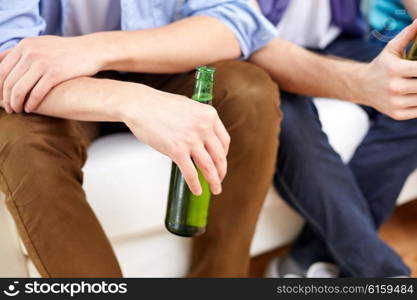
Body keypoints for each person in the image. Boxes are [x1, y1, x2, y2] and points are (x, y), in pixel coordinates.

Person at [0, 0, 282, 277]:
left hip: (153, 65)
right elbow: (7, 64)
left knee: (248, 93)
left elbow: (232, 20)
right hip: (58, 88)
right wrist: (131, 101)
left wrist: (95, 49)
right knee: (21, 141)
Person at [249, 0, 417, 277]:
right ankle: (384, 274)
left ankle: (310, 255)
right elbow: (246, 34)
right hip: (255, 51)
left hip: (333, 41)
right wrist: (364, 82)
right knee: (292, 128)